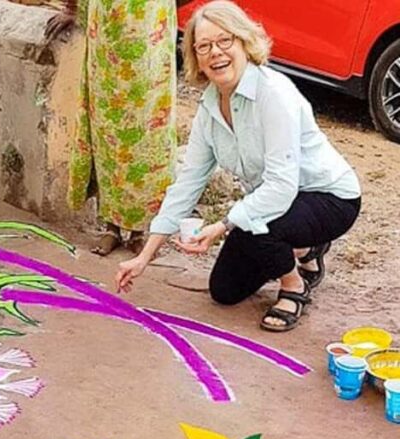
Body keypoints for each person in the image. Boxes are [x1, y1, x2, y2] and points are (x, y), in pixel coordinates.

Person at [115, 0, 361, 332]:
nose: (215, 52)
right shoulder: (209, 106)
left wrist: (223, 226)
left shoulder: (274, 94)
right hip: (277, 204)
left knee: (257, 225)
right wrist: (145, 256)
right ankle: (305, 248)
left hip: (329, 198)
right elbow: (188, 181)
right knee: (225, 291)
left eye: (225, 40)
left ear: (245, 42)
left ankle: (294, 285)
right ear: (196, 59)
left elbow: (280, 187)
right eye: (204, 46)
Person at [45, 0, 179, 256]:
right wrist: (73, 9)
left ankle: (141, 230)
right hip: (106, 32)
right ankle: (111, 227)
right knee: (106, 130)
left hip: (151, 34)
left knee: (149, 133)